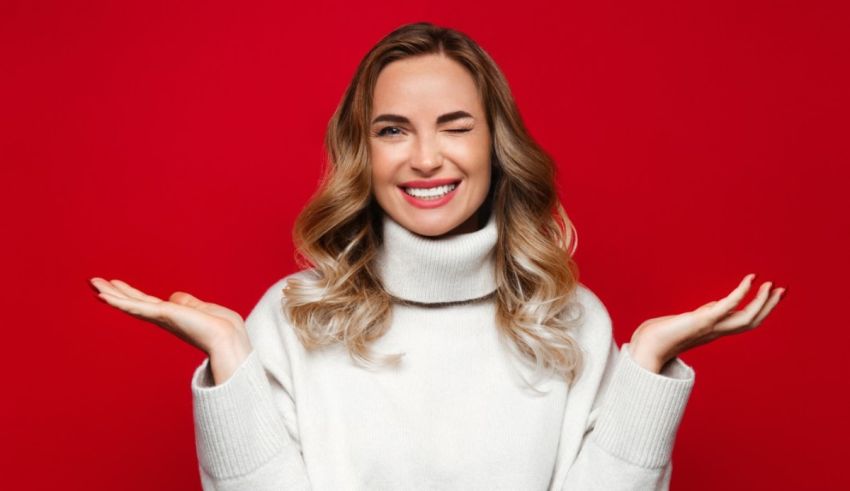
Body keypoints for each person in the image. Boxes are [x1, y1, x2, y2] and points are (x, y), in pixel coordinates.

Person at [89, 22, 786, 491]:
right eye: (394, 130)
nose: (425, 158)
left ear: (495, 144)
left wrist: (646, 367)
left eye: (455, 126)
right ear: (365, 151)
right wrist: (230, 355)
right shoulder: (293, 317)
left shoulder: (569, 321)